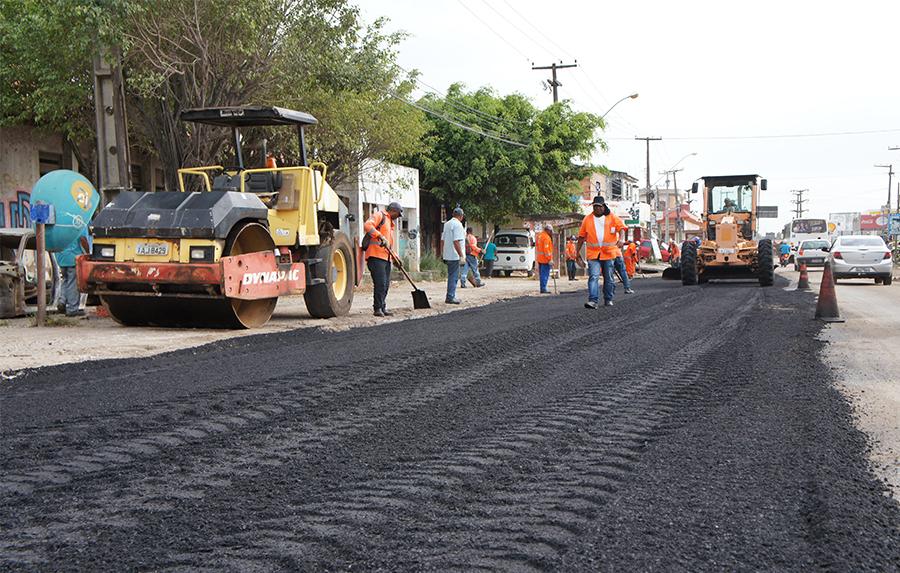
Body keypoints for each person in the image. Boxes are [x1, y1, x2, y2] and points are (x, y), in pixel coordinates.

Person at [576, 195, 628, 308]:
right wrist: (577, 253)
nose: (597, 208)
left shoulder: (612, 217)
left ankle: (608, 298)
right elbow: (581, 237)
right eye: (595, 206)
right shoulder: (587, 219)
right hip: (593, 254)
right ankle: (593, 300)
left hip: (609, 254)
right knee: (593, 276)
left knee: (608, 278)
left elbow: (622, 228)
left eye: (599, 206)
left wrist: (621, 239)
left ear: (603, 206)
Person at [362, 201, 402, 317]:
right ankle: (377, 308)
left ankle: (383, 307)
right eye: (398, 214)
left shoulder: (390, 223)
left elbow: (388, 245)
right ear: (393, 211)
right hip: (375, 256)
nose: (398, 217)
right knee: (380, 283)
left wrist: (395, 258)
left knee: (385, 285)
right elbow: (367, 225)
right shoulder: (380, 215)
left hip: (386, 258)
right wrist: (379, 235)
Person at [56, 226, 90, 317]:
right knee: (73, 283)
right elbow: (83, 239)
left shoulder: (62, 224)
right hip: (73, 258)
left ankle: (62, 301)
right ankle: (72, 309)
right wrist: (88, 253)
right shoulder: (80, 223)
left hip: (61, 257)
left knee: (65, 280)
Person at [440, 207, 466, 304]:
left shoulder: (447, 224)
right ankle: (451, 296)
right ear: (461, 216)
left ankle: (450, 295)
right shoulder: (458, 225)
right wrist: (461, 255)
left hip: (447, 254)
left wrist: (442, 253)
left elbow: (442, 240)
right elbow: (456, 241)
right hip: (455, 255)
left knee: (451, 275)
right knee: (454, 276)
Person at [536, 224, 554, 293]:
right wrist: (550, 259)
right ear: (548, 230)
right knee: (545, 275)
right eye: (551, 231)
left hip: (540, 259)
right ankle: (543, 289)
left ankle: (542, 288)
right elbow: (546, 250)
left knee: (542, 275)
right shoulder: (546, 238)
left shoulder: (539, 236)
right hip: (545, 260)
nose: (551, 233)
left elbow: (537, 246)